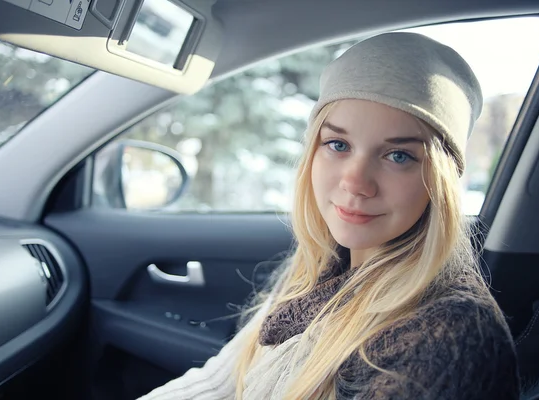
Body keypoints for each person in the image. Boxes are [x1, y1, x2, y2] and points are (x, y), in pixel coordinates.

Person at [138, 32, 519, 399]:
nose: (355, 183)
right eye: (338, 144)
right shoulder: (319, 264)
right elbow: (219, 383)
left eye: (398, 155)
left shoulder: (449, 339)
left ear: (439, 181)